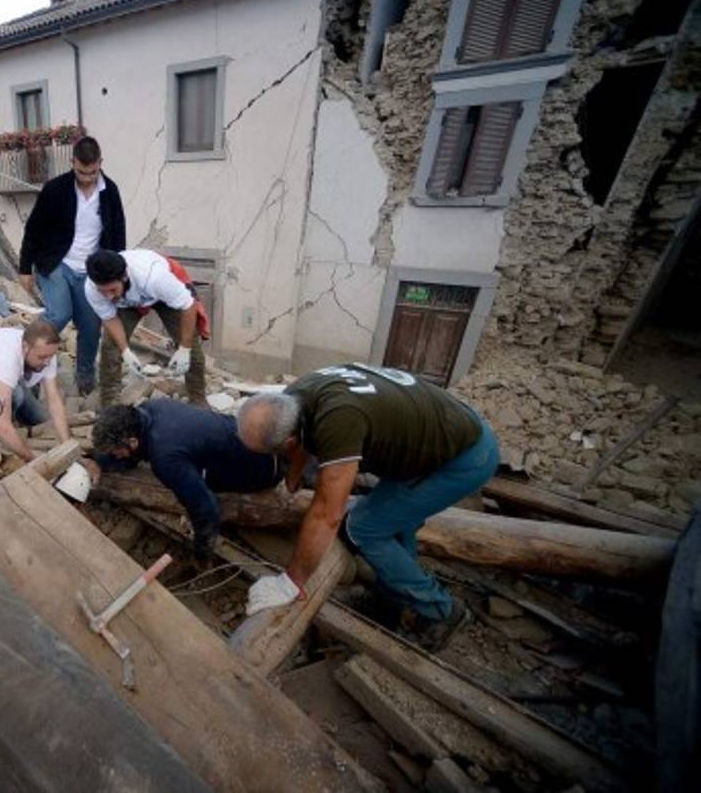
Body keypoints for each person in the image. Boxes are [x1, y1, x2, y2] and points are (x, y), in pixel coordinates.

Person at [236, 364, 500, 649]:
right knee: (394, 521)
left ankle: (441, 611)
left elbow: (327, 514)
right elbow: (299, 443)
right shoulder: (294, 397)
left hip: (462, 458)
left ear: (286, 440)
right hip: (441, 428)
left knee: (362, 528)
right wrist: (290, 483)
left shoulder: (339, 422)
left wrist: (291, 582)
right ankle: (394, 598)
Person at [91, 398, 285, 563]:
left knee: (197, 488)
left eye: (115, 452)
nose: (116, 456)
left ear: (133, 442)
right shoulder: (150, 407)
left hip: (264, 470)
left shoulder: (164, 458)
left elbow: (207, 509)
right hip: (258, 439)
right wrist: (98, 461)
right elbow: (132, 454)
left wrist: (201, 552)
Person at [18, 136, 126, 396]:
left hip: (90, 272)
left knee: (90, 328)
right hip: (57, 263)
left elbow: (118, 233)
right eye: (80, 171)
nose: (86, 178)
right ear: (72, 163)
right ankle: (26, 364)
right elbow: (33, 228)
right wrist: (24, 268)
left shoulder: (109, 191)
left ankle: (85, 379)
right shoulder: (55, 189)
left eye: (92, 172)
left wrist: (118, 275)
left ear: (100, 163)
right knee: (59, 314)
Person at [84, 249, 206, 406]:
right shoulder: (92, 288)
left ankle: (198, 401)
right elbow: (110, 318)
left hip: (160, 296)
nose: (109, 297)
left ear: (124, 277)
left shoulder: (155, 277)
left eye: (112, 289)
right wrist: (125, 351)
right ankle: (109, 405)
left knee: (191, 346)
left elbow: (188, 305)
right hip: (130, 302)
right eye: (103, 291)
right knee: (110, 346)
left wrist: (184, 349)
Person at [0, 320, 71, 462]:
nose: (47, 362)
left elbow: (54, 400)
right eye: (42, 357)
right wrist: (33, 460)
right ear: (25, 347)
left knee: (40, 419)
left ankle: (15, 423)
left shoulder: (45, 351)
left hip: (10, 376)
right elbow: (1, 427)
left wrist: (67, 446)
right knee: (16, 396)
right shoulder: (6, 360)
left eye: (50, 356)